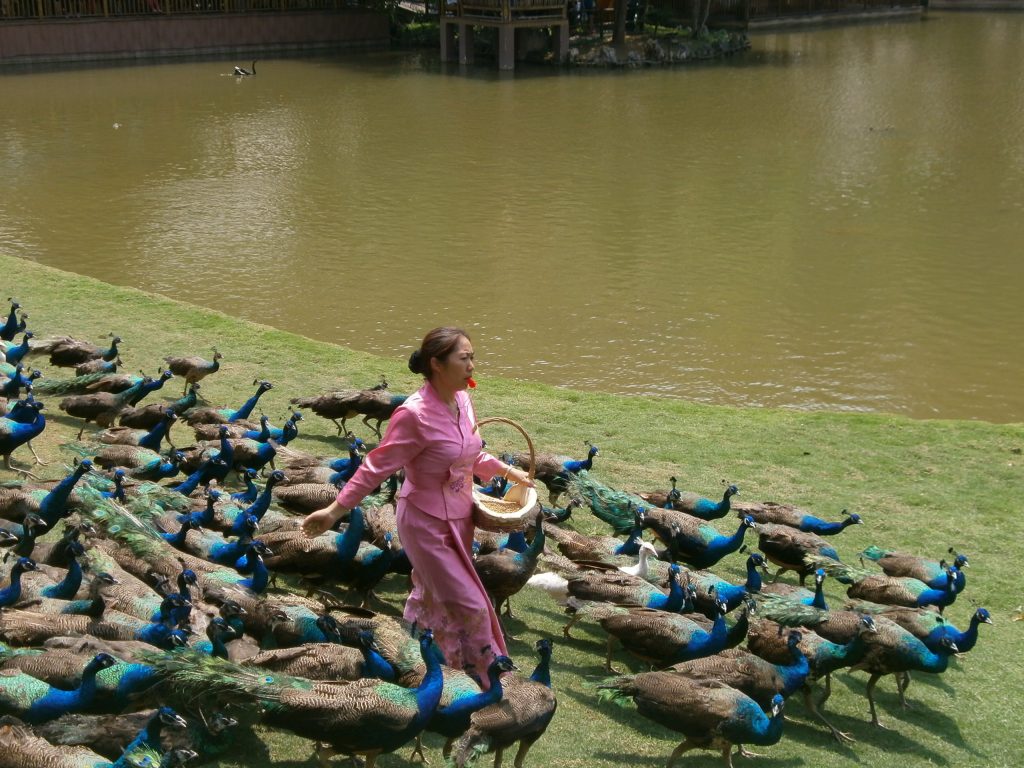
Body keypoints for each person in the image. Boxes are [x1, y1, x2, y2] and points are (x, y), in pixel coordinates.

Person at [301, 327, 533, 687]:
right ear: (437, 364)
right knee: (470, 602)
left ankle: (422, 662)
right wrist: (335, 511)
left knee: (434, 597)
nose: (472, 365)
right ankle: (488, 680)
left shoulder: (463, 400)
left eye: (472, 356)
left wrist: (506, 470)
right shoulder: (414, 414)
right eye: (464, 358)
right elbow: (376, 466)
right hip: (425, 523)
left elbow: (469, 454)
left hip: (460, 517)